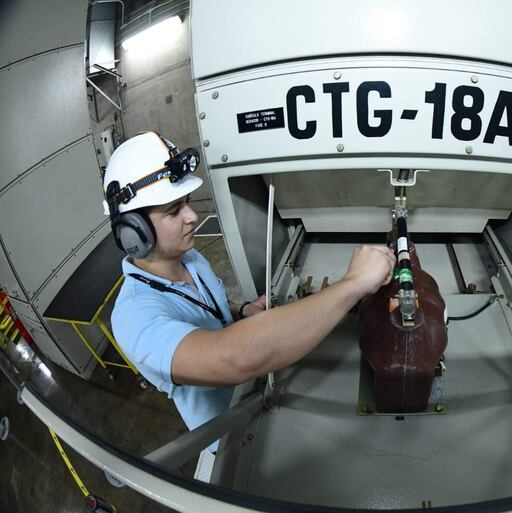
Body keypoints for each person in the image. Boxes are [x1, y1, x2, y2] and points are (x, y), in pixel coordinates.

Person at [103, 132, 395, 449]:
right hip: (233, 435)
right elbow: (235, 359)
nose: (192, 217)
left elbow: (209, 304)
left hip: (261, 394)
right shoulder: (134, 319)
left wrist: (240, 311)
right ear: (134, 232)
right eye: (174, 211)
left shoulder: (189, 258)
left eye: (186, 203)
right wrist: (353, 284)